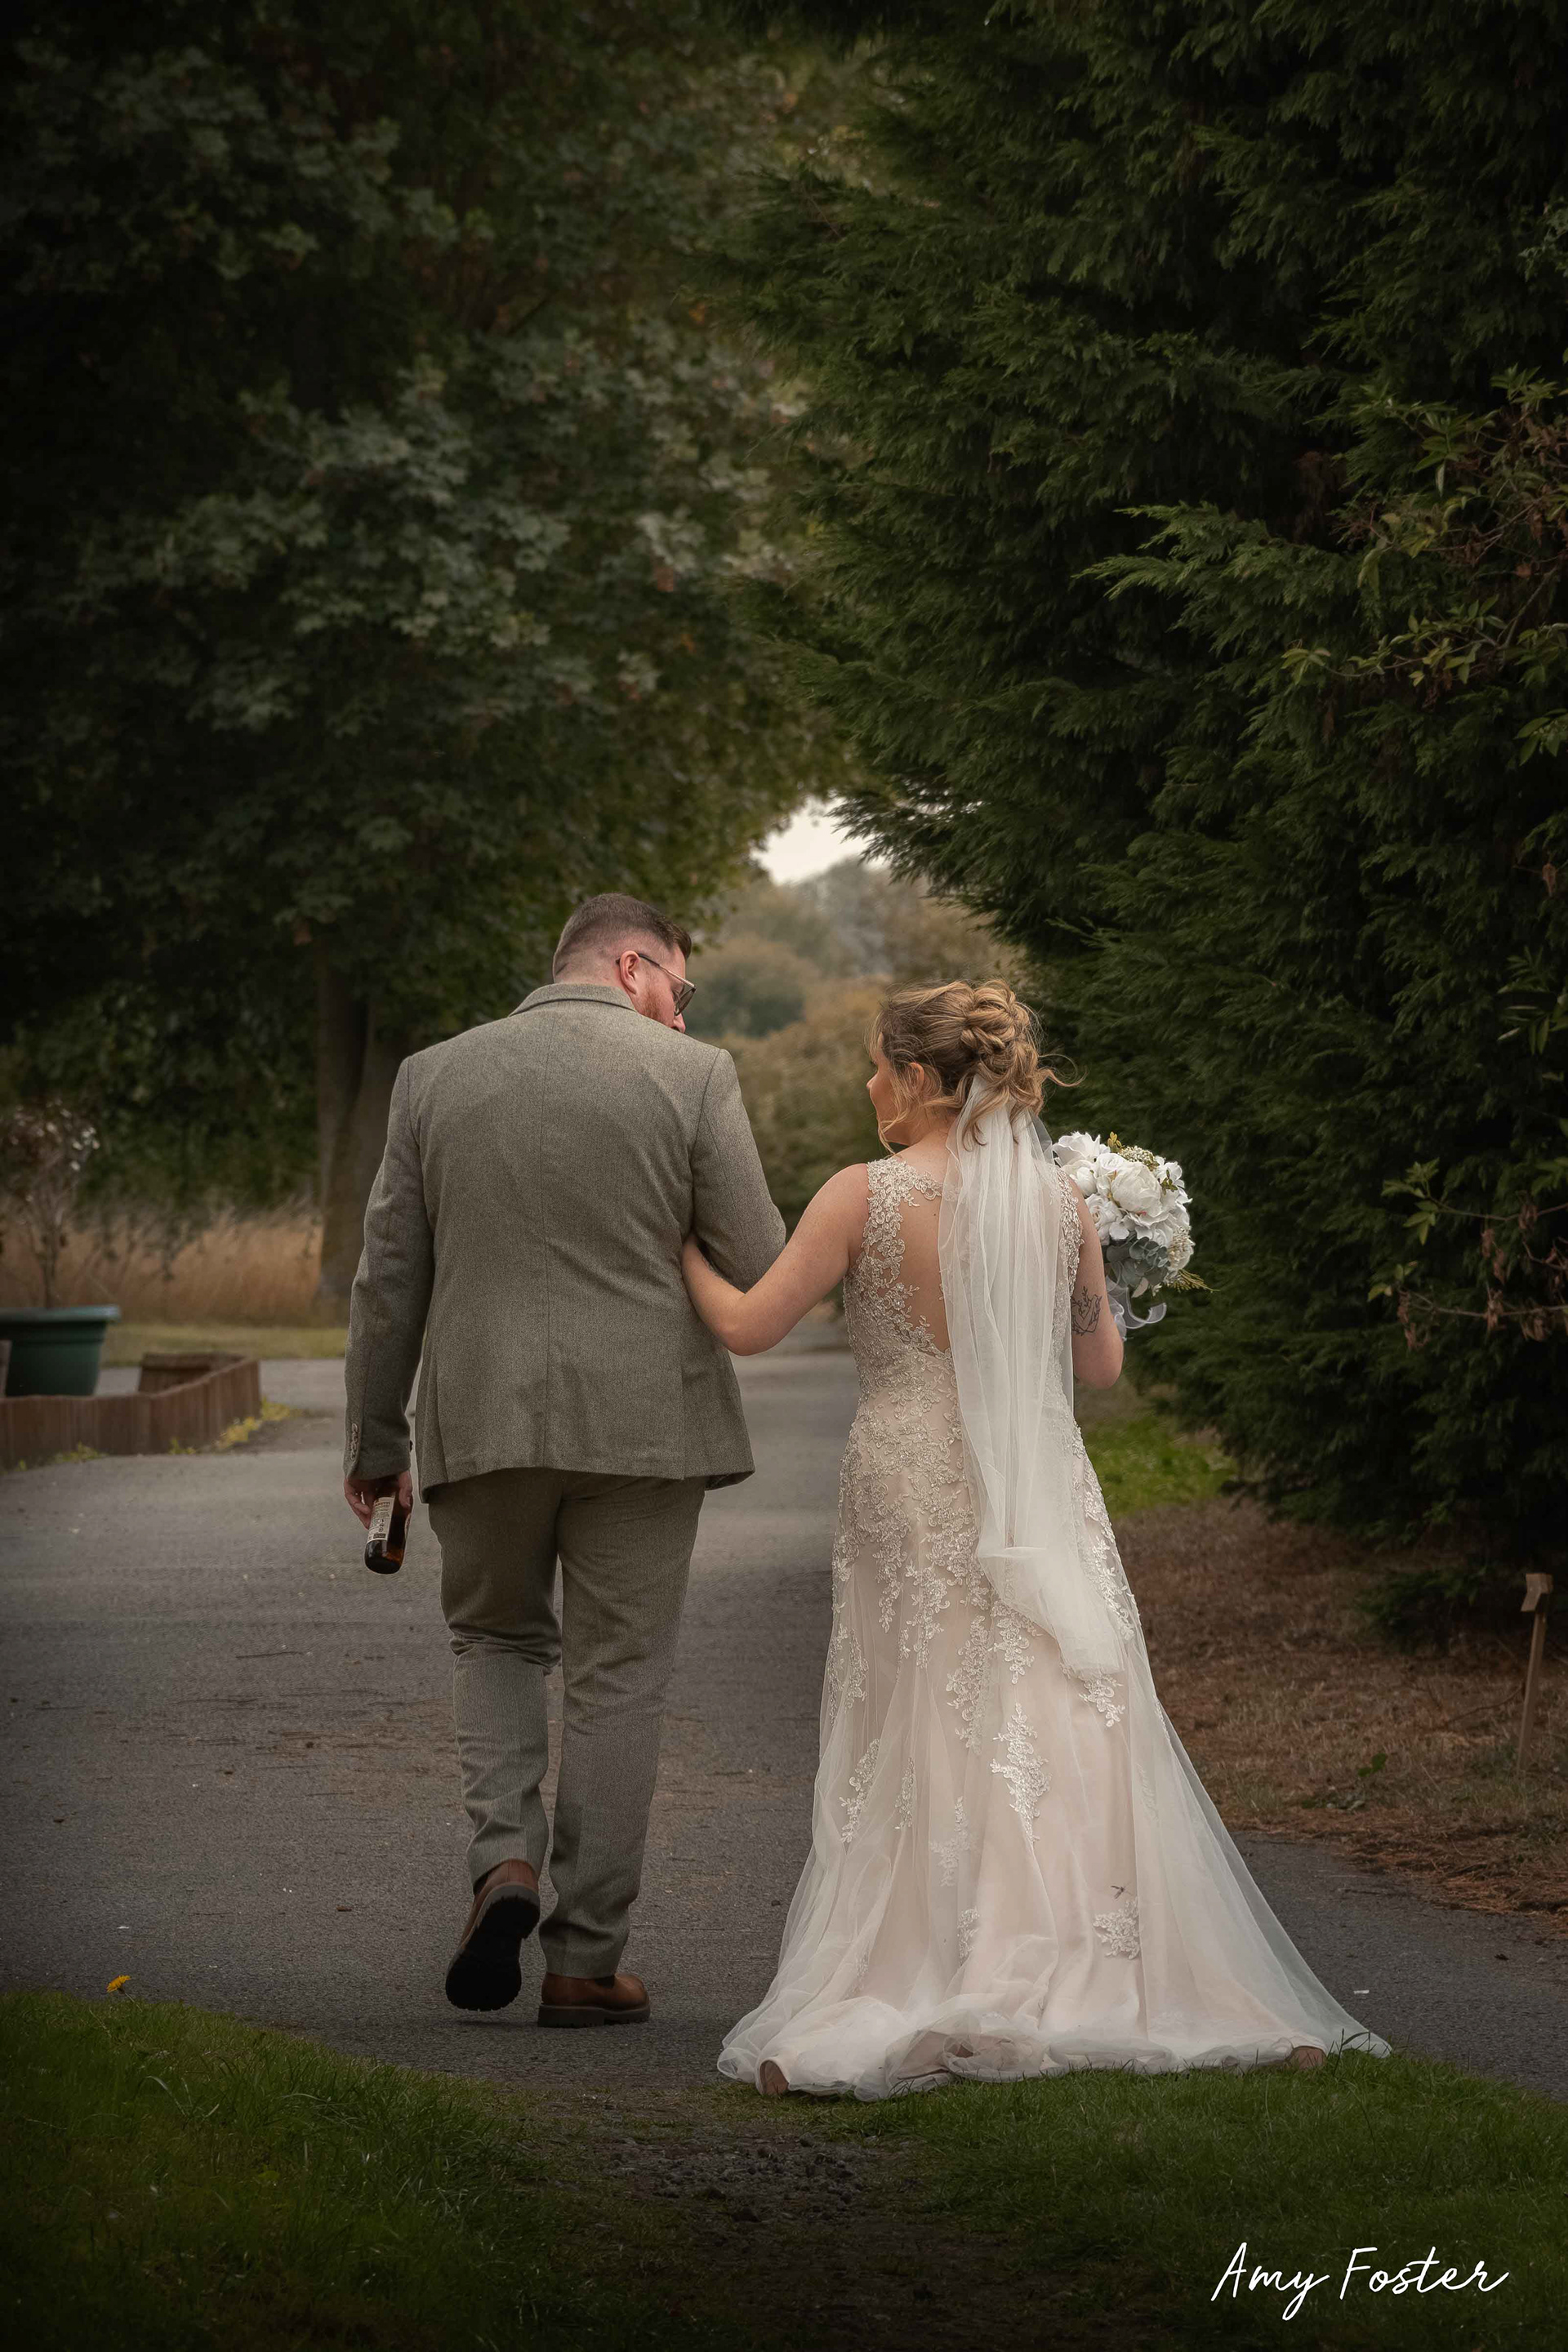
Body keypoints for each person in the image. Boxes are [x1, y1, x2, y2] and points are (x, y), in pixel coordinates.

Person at [681, 979, 1388, 2098]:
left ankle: (938, 1954)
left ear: (919, 1079)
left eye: (878, 1065)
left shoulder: (861, 1195)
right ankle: (1093, 1958)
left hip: (911, 1477)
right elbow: (1098, 1367)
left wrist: (678, 1247)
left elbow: (747, 1326)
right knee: (1057, 1698)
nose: (870, 1083)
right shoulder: (1059, 1204)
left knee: (923, 1704)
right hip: (1042, 1480)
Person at [342, 893, 784, 2026]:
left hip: (480, 1416)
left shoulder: (432, 1077)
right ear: (634, 967)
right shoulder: (694, 1080)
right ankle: (586, 1964)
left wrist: (376, 1441)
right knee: (617, 1675)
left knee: (492, 1638)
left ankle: (506, 1867)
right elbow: (759, 1255)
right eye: (680, 993)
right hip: (647, 1424)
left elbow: (388, 1279)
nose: (684, 1019)